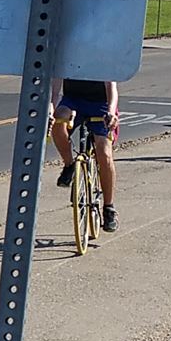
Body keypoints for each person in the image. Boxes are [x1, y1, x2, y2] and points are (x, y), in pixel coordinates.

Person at [49, 77, 118, 233]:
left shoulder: (101, 55)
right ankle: (69, 165)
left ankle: (109, 208)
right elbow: (55, 90)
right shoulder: (67, 54)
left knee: (104, 153)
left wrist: (111, 112)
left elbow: (111, 86)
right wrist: (51, 111)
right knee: (58, 123)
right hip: (72, 101)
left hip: (101, 103)